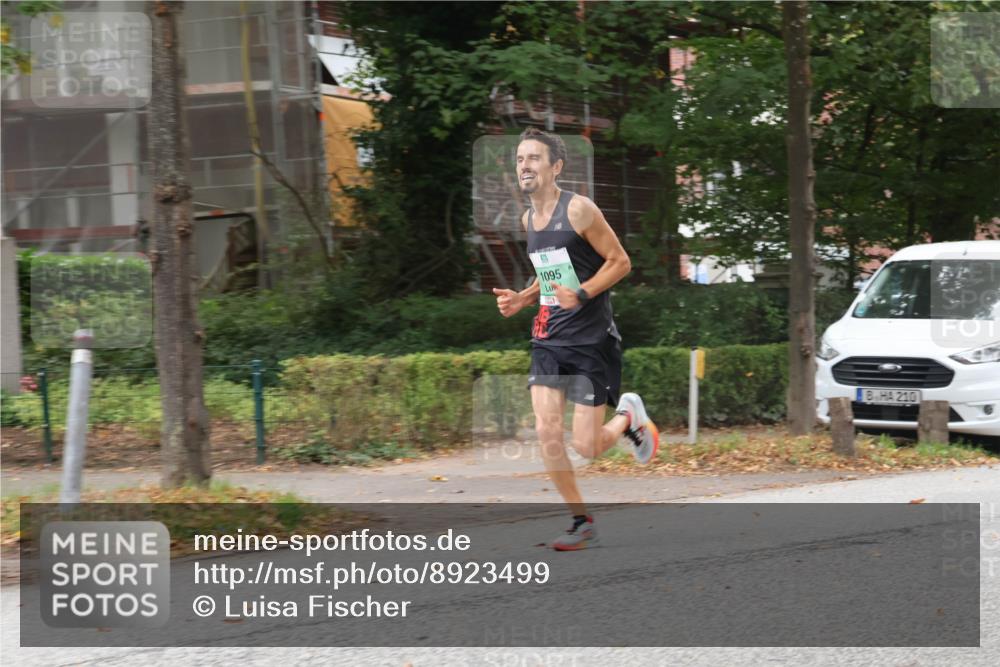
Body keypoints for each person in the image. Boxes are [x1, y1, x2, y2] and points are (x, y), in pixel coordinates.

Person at [493, 127, 659, 551]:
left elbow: (620, 262)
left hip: (591, 340)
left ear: (556, 167)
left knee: (586, 445)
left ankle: (628, 417)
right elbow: (549, 272)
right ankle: (581, 521)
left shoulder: (581, 210)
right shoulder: (529, 218)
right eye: (519, 159)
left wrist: (583, 293)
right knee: (547, 431)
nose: (524, 166)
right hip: (549, 337)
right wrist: (524, 298)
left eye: (533, 158)